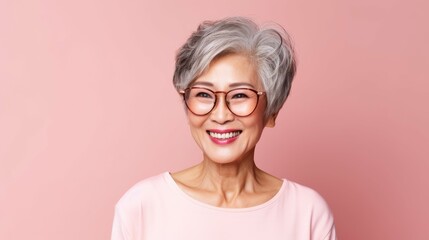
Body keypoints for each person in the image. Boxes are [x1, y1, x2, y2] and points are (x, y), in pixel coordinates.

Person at [111, 17, 336, 240]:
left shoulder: (307, 213)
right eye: (204, 94)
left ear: (271, 111)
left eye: (239, 95)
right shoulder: (141, 206)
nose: (220, 115)